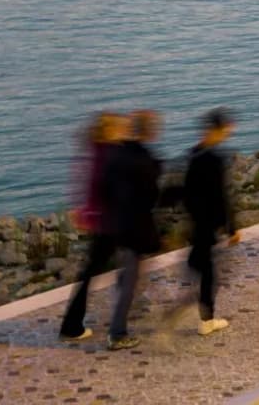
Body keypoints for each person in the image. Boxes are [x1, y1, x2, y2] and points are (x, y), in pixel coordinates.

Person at [171, 108, 239, 335]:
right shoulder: (214, 159)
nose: (228, 133)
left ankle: (198, 311)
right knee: (209, 275)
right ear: (216, 130)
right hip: (207, 223)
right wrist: (231, 228)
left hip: (196, 221)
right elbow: (221, 196)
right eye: (226, 129)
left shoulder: (193, 154)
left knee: (200, 266)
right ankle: (202, 318)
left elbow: (184, 190)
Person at [59, 112, 126, 342]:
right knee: (125, 266)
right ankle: (74, 325)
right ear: (109, 131)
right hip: (110, 222)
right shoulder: (109, 155)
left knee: (92, 272)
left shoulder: (95, 152)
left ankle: (73, 323)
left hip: (101, 221)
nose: (123, 131)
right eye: (119, 128)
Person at [104, 110, 164, 351]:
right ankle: (117, 333)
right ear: (148, 130)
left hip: (117, 222)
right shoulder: (144, 158)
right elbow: (151, 195)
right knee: (130, 278)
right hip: (136, 226)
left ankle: (130, 308)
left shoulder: (117, 153)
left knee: (128, 274)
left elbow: (107, 187)